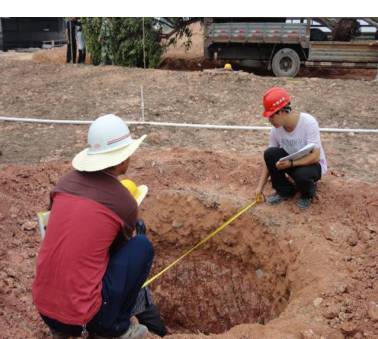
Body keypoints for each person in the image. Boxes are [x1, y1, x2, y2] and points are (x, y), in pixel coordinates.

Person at [32, 114, 155, 338]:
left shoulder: (64, 184)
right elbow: (119, 252)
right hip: (82, 318)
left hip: (45, 309)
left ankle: (64, 324)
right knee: (141, 247)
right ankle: (115, 328)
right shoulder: (123, 201)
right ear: (121, 159)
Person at [255, 87, 327, 209]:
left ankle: (307, 194)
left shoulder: (309, 123)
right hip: (292, 163)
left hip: (313, 166)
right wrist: (259, 187)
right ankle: (285, 192)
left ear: (282, 111)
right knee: (270, 153)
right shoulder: (275, 131)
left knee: (302, 175)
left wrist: (291, 163)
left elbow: (315, 156)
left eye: (271, 116)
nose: (269, 120)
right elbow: (269, 162)